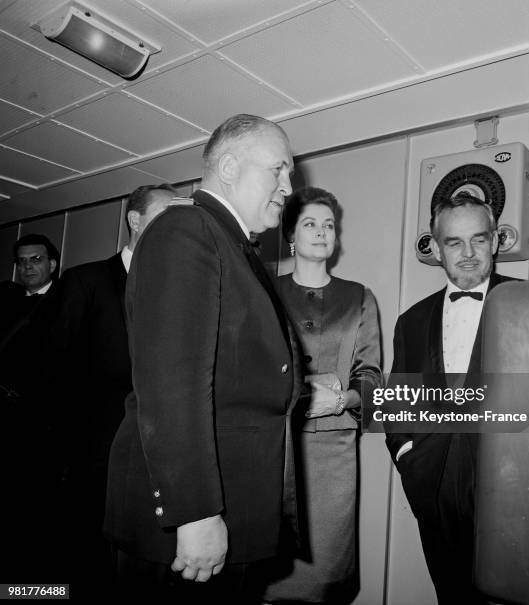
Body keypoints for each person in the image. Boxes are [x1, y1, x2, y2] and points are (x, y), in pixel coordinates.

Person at [104, 114, 301, 602]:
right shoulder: (185, 229)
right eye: (279, 169)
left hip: (228, 504)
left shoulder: (227, 241)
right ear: (229, 167)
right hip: (188, 523)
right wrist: (194, 512)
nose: (289, 186)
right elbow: (172, 384)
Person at [41, 184, 177, 592]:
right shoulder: (86, 282)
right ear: (135, 221)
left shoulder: (179, 290)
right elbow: (49, 370)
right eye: (165, 214)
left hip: (154, 461)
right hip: (91, 458)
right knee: (83, 566)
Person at [385, 193, 517, 604]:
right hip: (435, 485)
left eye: (479, 239)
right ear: (437, 247)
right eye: (454, 242)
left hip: (514, 488)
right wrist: (408, 455)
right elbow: (396, 403)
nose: (468, 253)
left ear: (495, 241)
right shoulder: (412, 321)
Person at [264, 187, 382, 604]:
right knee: (271, 571)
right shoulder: (265, 292)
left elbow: (370, 375)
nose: (321, 232)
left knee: (327, 573)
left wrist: (344, 399)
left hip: (334, 452)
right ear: (291, 236)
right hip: (275, 450)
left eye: (328, 225)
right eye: (310, 224)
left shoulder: (359, 297)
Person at [0, 233, 61, 582]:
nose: (27, 267)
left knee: (31, 507)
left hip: (37, 423)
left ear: (52, 264)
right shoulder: (5, 300)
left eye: (36, 259)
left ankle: (29, 583)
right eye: (22, 261)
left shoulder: (64, 302)